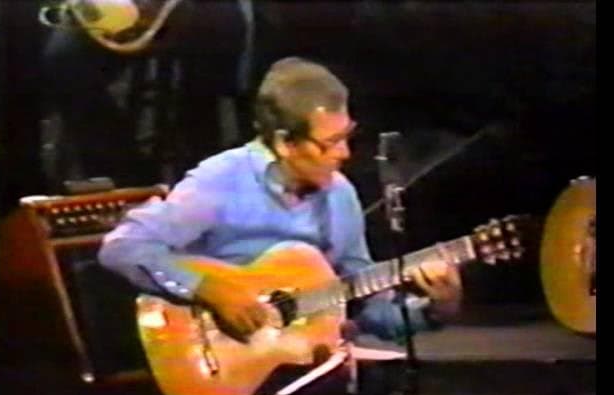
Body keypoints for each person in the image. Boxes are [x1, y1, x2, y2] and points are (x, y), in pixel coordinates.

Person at [98, 56, 462, 344]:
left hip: (308, 366)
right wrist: (209, 289)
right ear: (286, 142)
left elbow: (367, 308)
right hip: (225, 358)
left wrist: (435, 310)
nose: (345, 153)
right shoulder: (220, 180)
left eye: (347, 137)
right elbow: (123, 246)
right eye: (330, 143)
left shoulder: (340, 194)